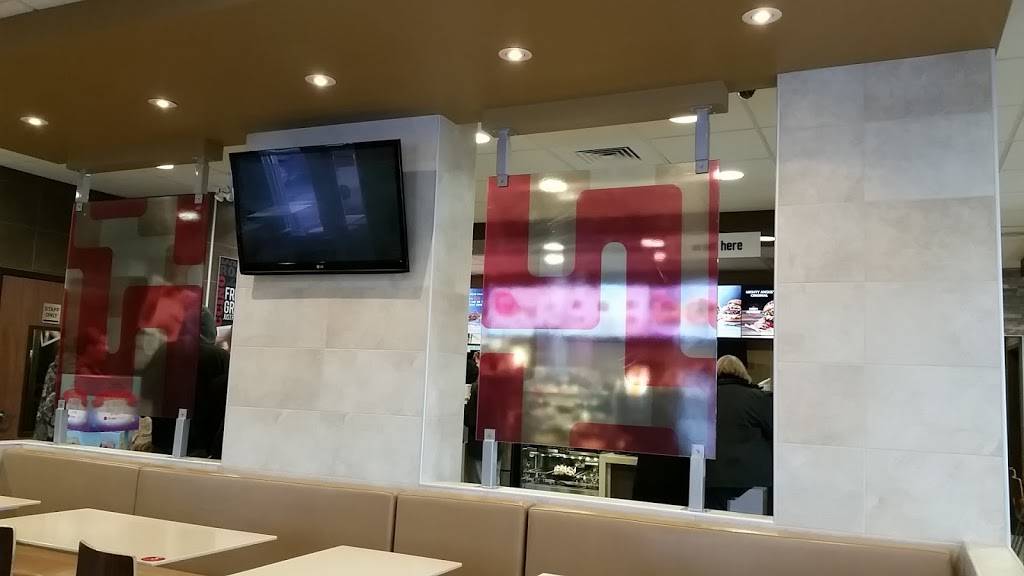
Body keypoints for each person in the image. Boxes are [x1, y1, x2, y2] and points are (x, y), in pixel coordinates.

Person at [705, 355, 773, 513]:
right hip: (752, 478)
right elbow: (774, 432)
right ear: (743, 372)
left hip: (713, 476)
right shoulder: (758, 398)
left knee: (715, 522)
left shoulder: (705, 398)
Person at [463, 351, 482, 483]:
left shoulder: (477, 388)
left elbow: (469, 418)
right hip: (496, 446)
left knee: (476, 482)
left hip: (477, 444)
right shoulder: (500, 386)